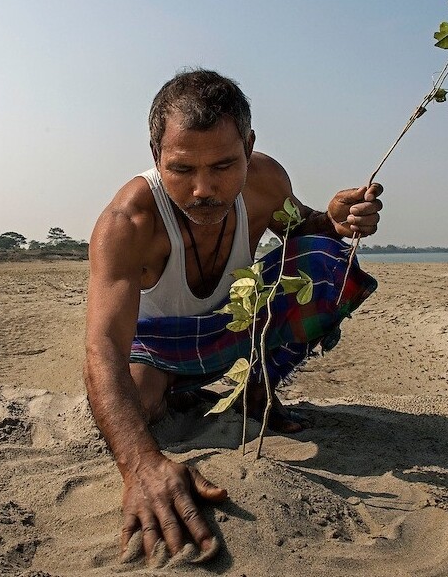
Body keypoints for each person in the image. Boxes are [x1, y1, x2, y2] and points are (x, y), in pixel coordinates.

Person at [83, 69, 382, 563]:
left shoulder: (267, 180)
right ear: (156, 154)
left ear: (249, 146)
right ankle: (182, 389)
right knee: (138, 404)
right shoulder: (127, 221)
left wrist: (332, 219)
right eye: (181, 170)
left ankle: (255, 388)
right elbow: (102, 346)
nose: (204, 189)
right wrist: (140, 464)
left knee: (325, 257)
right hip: (156, 344)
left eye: (223, 165)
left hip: (235, 326)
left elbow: (300, 225)